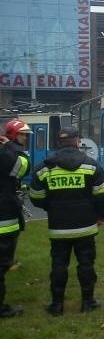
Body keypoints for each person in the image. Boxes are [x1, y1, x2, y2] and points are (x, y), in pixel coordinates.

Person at [29, 126, 104, 316]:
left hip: (58, 227)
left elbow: (35, 196)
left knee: (58, 264)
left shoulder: (44, 168)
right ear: (77, 141)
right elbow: (103, 196)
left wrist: (52, 207)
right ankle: (88, 302)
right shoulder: (91, 165)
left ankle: (57, 305)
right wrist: (101, 216)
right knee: (86, 264)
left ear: (60, 142)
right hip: (86, 227)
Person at [0, 119, 32, 318]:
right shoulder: (11, 153)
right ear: (13, 135)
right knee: (2, 264)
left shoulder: (9, 151)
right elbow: (20, 168)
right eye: (22, 135)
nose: (25, 138)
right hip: (4, 218)